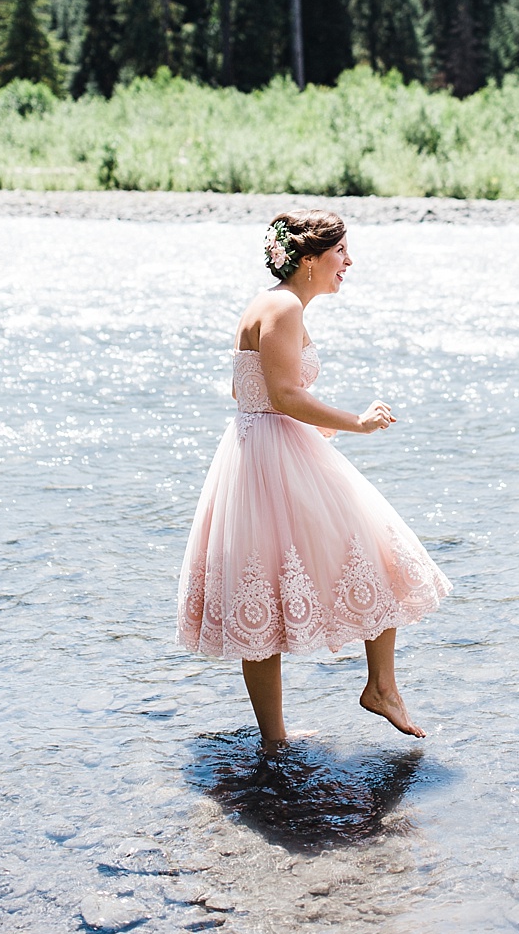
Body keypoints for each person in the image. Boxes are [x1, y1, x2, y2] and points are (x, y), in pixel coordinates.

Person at [177, 209, 450, 744]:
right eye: (341, 252)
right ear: (308, 261)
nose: (349, 262)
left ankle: (281, 737)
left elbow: (248, 394)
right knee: (376, 554)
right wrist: (357, 423)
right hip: (270, 459)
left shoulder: (271, 303)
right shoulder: (282, 306)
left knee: (266, 587)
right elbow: (284, 395)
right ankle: (377, 688)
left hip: (261, 452)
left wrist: (302, 433)